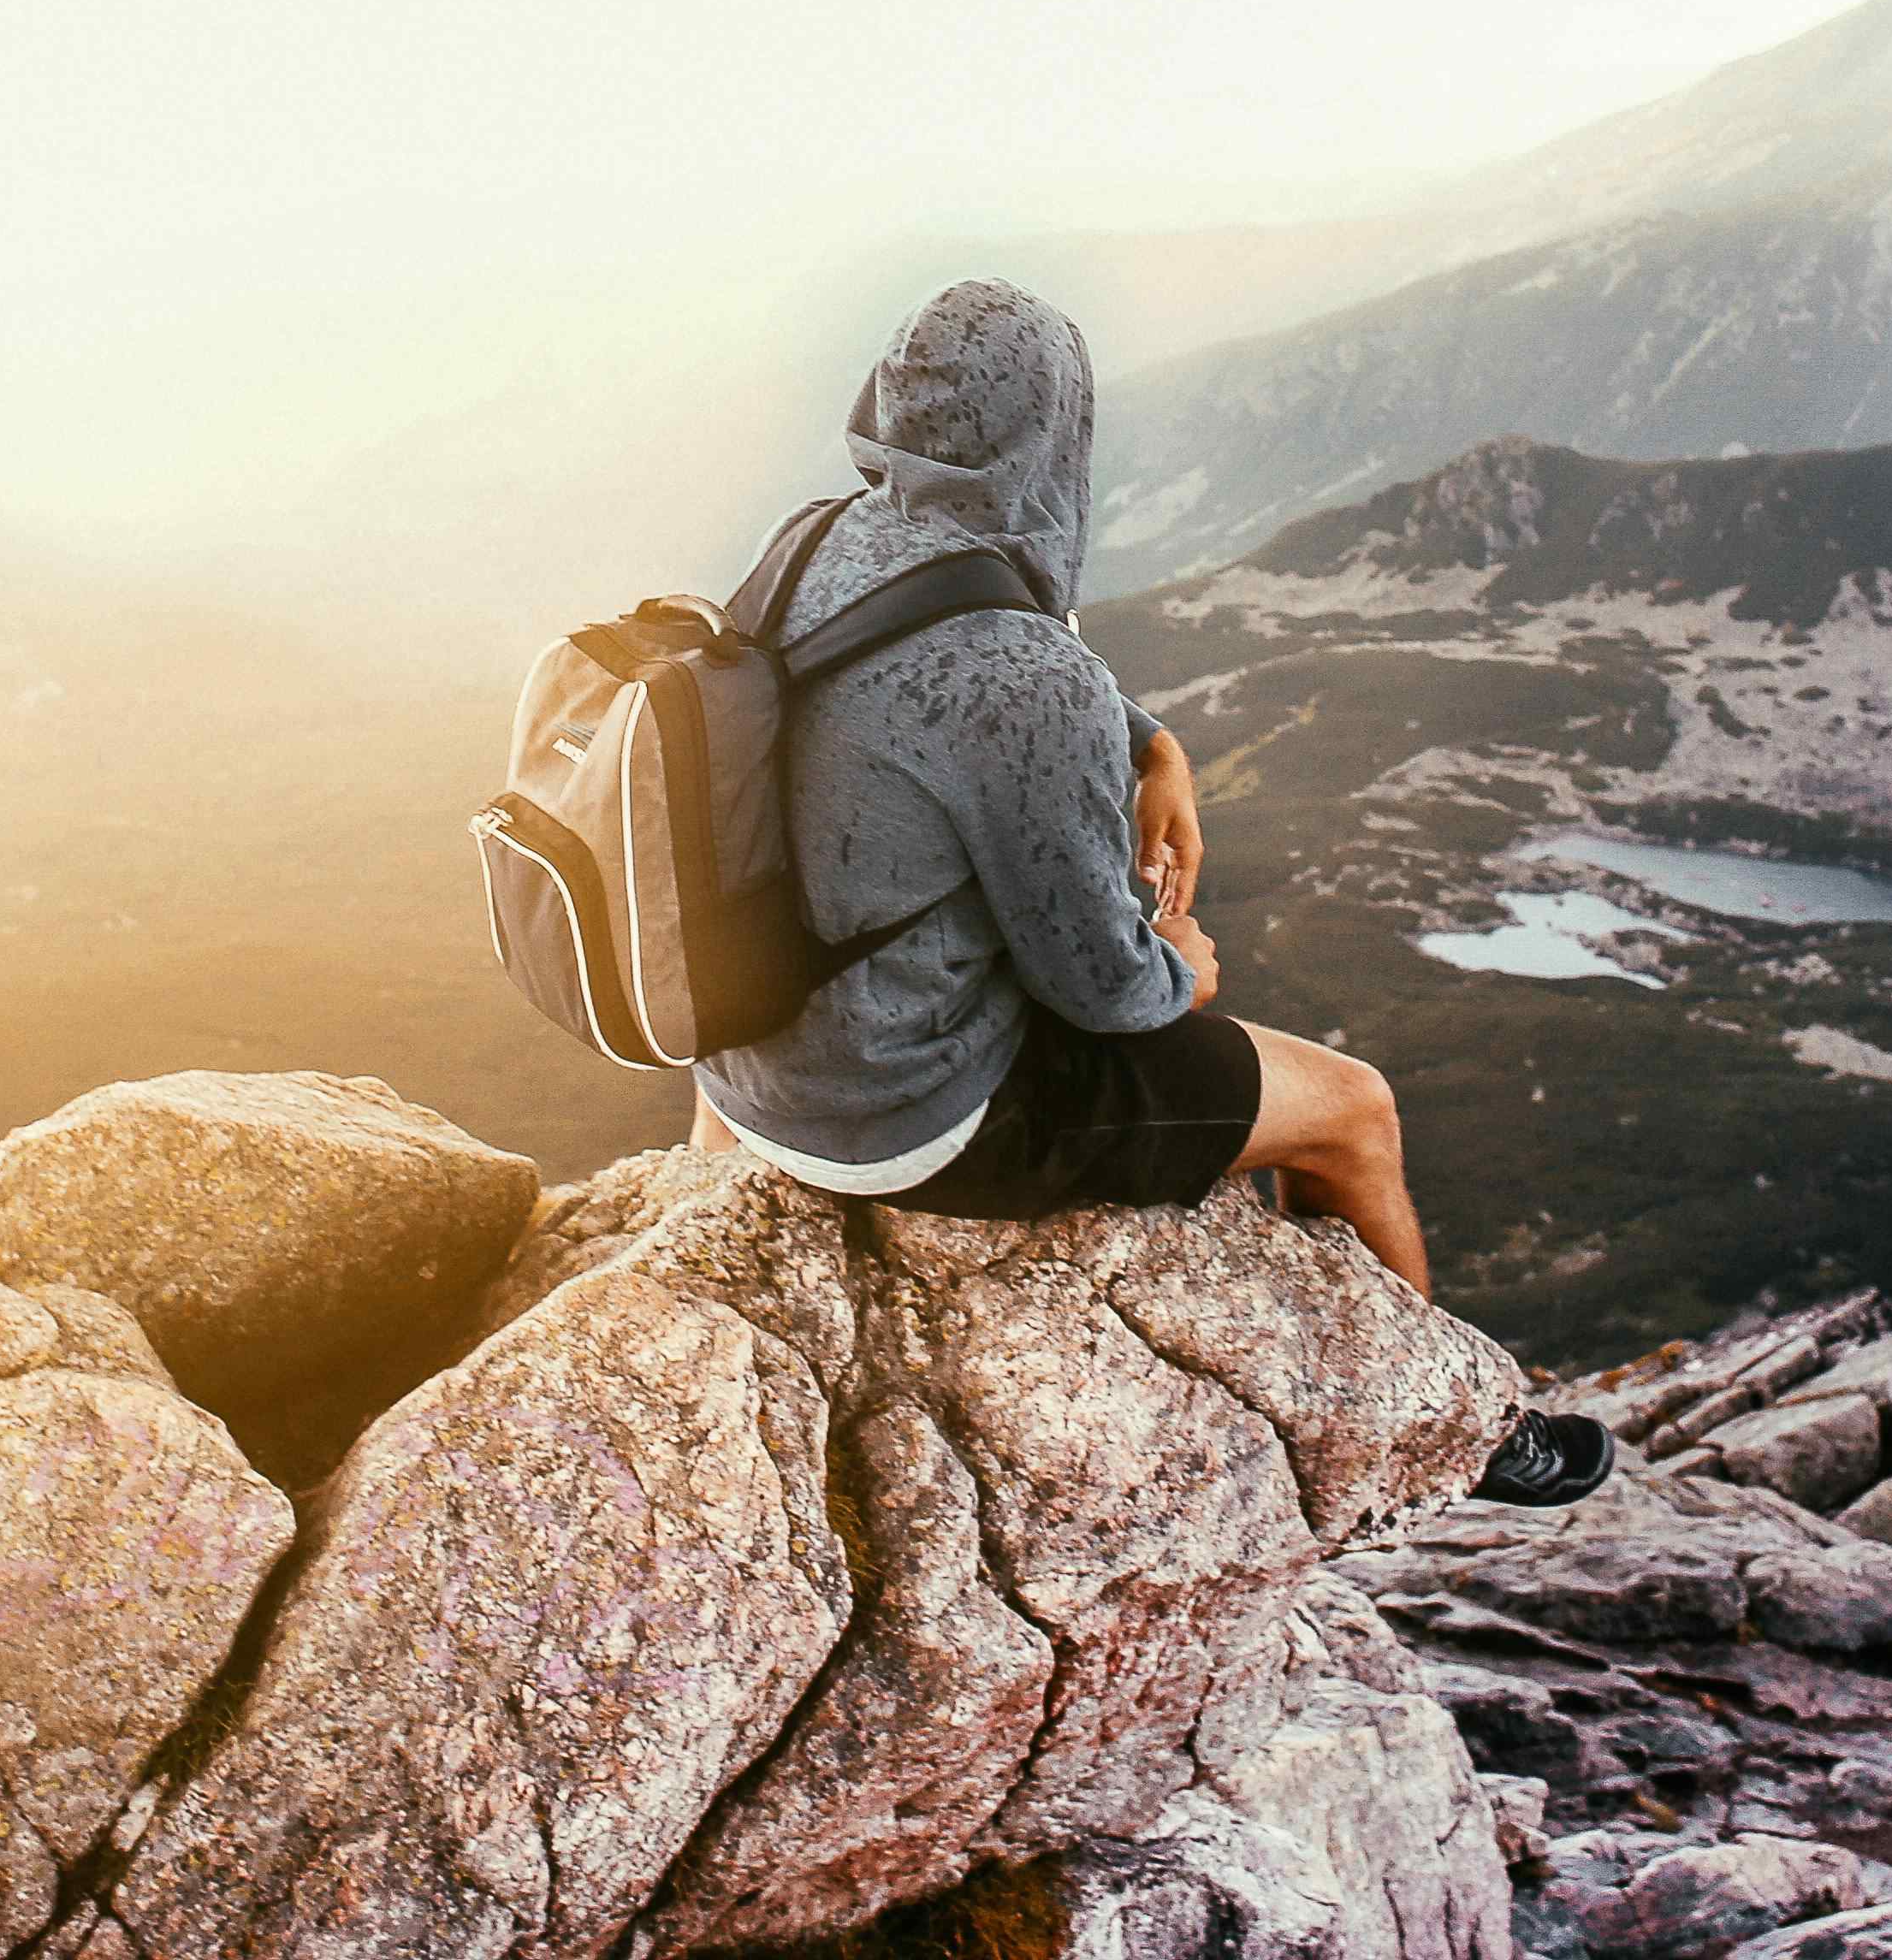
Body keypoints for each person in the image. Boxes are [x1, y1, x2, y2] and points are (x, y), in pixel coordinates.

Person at [689, 277, 1611, 1507]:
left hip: (743, 1069)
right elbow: (1110, 999)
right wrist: (1182, 960)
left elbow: (898, 669)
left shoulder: (812, 539)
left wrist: (1146, 740)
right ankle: (1452, 1428)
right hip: (908, 1113)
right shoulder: (1024, 675)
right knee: (1355, 1112)